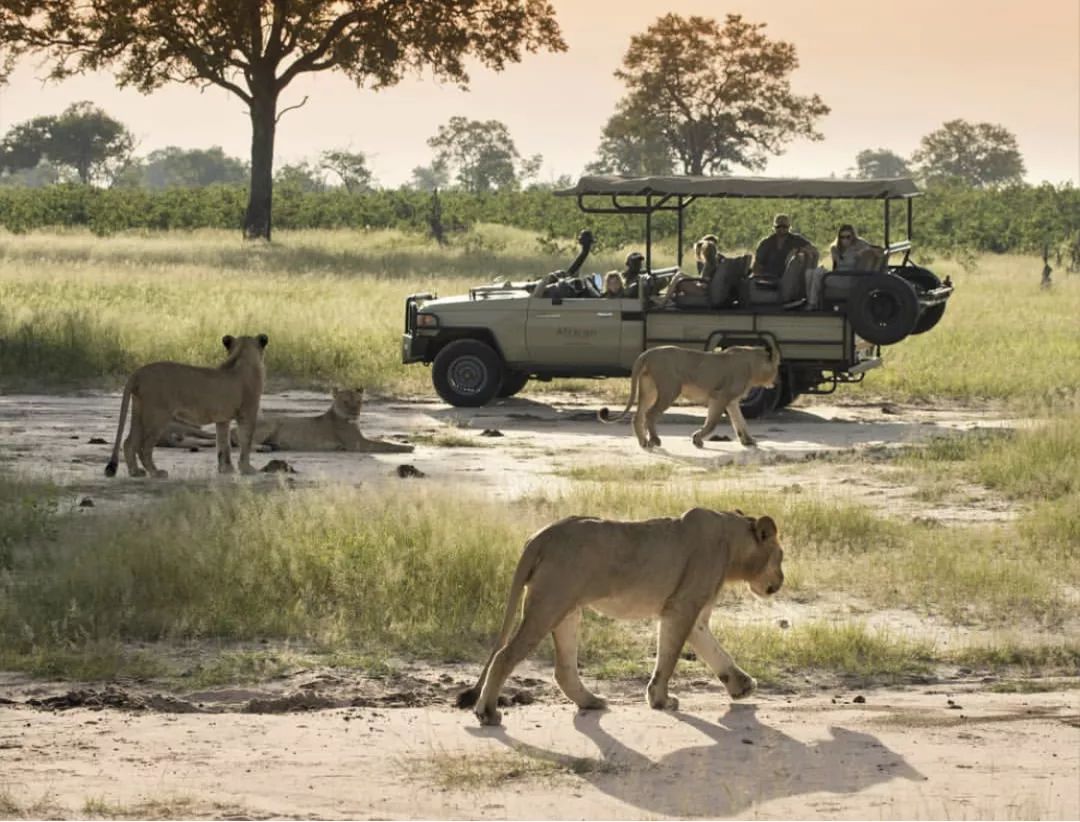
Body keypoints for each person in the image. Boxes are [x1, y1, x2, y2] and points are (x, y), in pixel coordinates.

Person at [751, 214, 813, 278]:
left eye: (784, 227)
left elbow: (813, 249)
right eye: (778, 226)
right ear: (774, 227)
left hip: (790, 278)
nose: (781, 229)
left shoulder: (796, 240)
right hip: (769, 278)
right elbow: (757, 264)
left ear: (789, 227)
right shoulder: (766, 243)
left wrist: (798, 251)